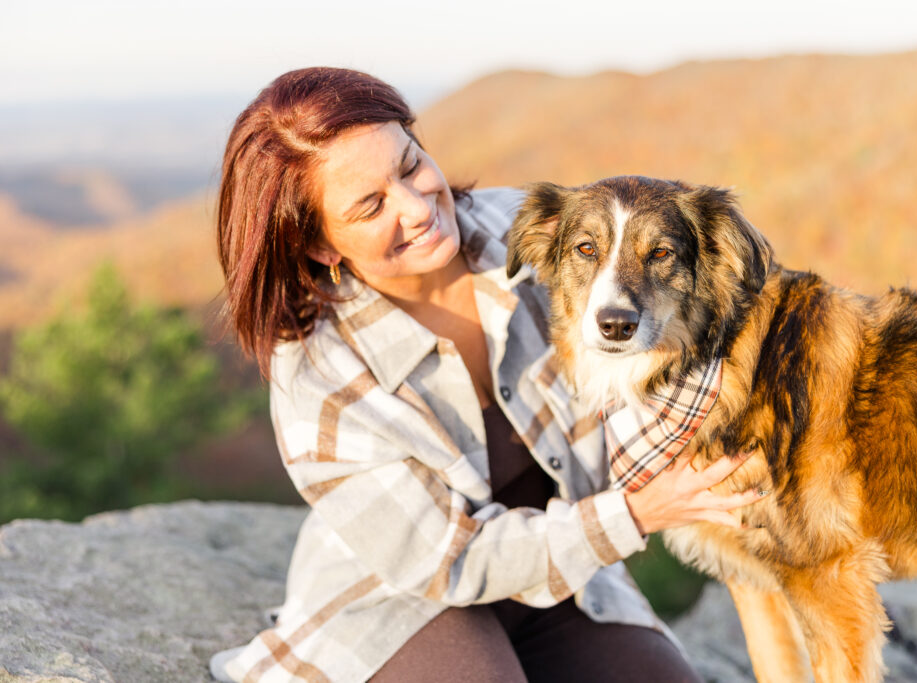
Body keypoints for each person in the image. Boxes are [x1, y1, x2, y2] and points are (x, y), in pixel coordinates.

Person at [211, 67, 762, 683]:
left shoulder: (528, 231)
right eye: (371, 205)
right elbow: (451, 562)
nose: (417, 207)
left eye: (409, 165)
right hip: (412, 600)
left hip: (567, 578)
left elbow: (677, 287)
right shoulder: (318, 379)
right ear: (320, 246)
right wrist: (633, 515)